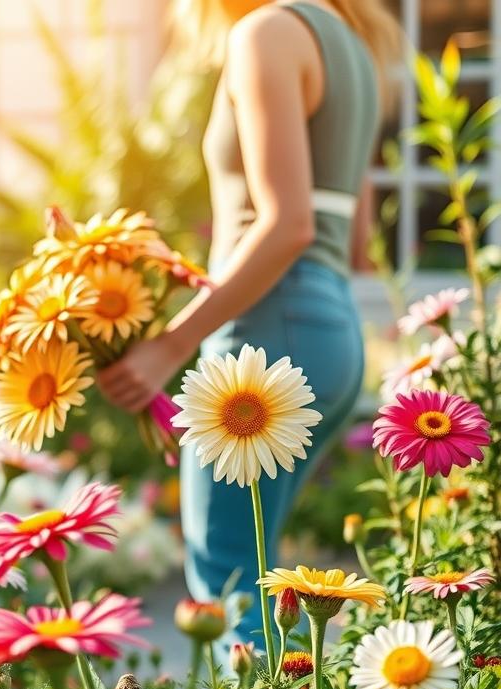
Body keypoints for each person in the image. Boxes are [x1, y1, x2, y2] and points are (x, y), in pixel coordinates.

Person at [96, 0, 400, 640]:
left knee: (226, 574)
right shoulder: (351, 45)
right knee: (256, 573)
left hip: (265, 330)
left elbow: (288, 224)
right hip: (329, 328)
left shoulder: (265, 34)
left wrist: (168, 346)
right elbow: (357, 239)